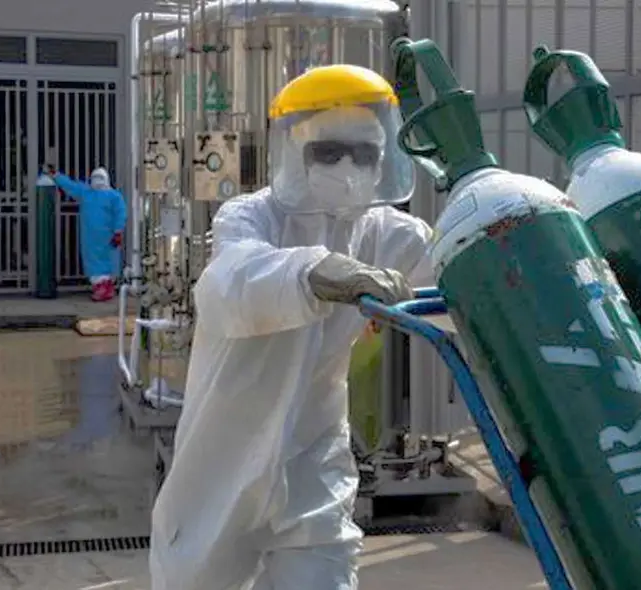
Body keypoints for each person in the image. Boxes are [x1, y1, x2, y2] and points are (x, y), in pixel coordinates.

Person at [149, 64, 435, 590]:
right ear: (294, 151)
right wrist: (313, 272)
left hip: (313, 452)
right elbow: (226, 284)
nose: (347, 166)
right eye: (328, 152)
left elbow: (456, 269)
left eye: (364, 153)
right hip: (224, 452)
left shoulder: (386, 232)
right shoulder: (250, 216)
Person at [45, 165, 127, 302]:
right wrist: (56, 176)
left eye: (100, 178)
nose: (97, 181)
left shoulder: (114, 196)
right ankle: (101, 287)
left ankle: (105, 287)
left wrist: (118, 231)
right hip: (91, 237)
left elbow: (121, 214)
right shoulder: (87, 192)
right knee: (93, 260)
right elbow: (70, 185)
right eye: (95, 178)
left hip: (107, 236)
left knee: (107, 261)